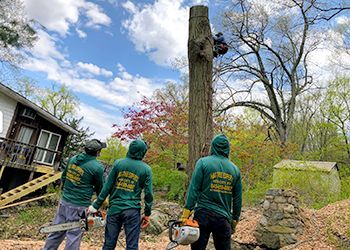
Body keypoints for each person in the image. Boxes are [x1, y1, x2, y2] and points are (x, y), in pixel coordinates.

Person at [88, 139, 153, 250]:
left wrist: (95, 206)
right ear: (143, 152)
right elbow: (148, 194)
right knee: (132, 246)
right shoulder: (146, 169)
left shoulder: (118, 163)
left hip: (115, 209)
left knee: (109, 244)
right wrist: (147, 213)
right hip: (132, 211)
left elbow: (107, 187)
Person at [180, 134, 242, 250]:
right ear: (228, 149)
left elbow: (193, 189)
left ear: (213, 147)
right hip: (223, 218)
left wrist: (186, 214)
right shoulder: (235, 170)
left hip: (202, 215)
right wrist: (234, 221)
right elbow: (237, 199)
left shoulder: (203, 163)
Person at [43, 139, 106, 250]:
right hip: (80, 206)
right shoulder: (97, 167)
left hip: (64, 202)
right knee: (74, 235)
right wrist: (101, 203)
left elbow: (64, 177)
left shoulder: (73, 159)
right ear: (98, 152)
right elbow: (100, 189)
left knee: (57, 230)